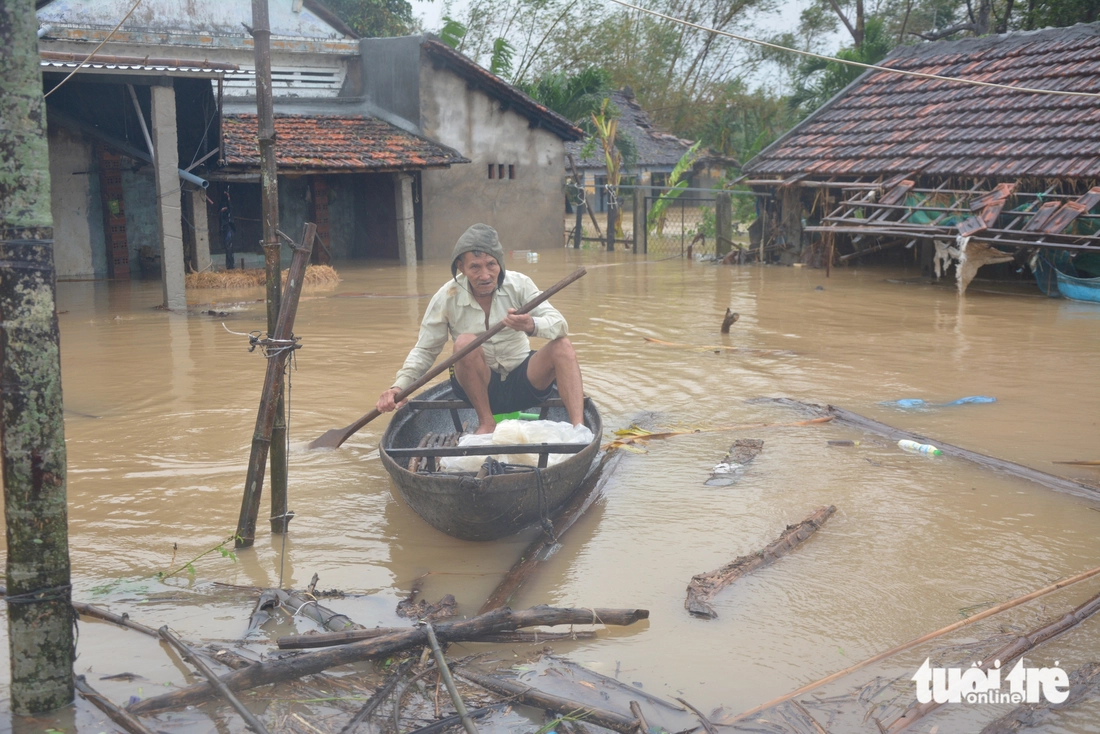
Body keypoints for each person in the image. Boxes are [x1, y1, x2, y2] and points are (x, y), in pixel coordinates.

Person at [376, 223, 584, 435]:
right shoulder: (446, 297)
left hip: (524, 381)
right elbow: (425, 350)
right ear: (461, 267)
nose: (485, 275)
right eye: (475, 267)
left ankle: (579, 430)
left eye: (491, 265)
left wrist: (531, 325)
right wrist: (398, 387)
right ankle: (486, 422)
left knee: (563, 346)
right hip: (476, 390)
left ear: (500, 264)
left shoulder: (520, 285)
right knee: (465, 342)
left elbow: (560, 324)